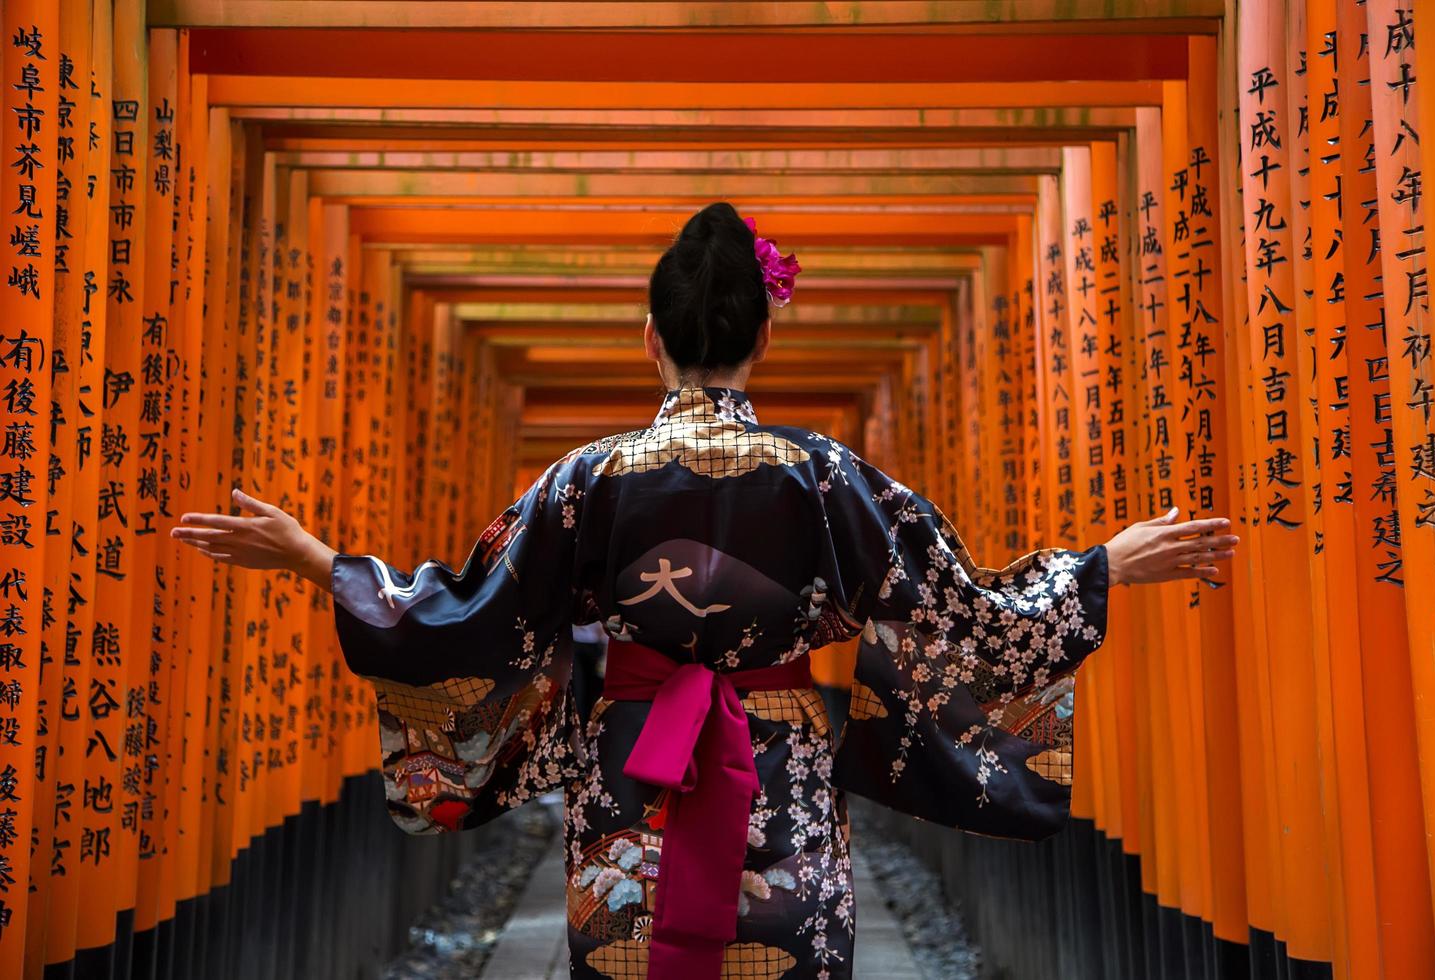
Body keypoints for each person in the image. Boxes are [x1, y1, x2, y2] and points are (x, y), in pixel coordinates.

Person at [172, 202, 1235, 980]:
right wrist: (1105, 567)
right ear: (766, 336)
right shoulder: (826, 474)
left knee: (634, 953)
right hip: (782, 769)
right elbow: (958, 613)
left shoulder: (583, 478)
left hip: (630, 778)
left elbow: (474, 616)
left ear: (650, 337)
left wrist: (317, 558)